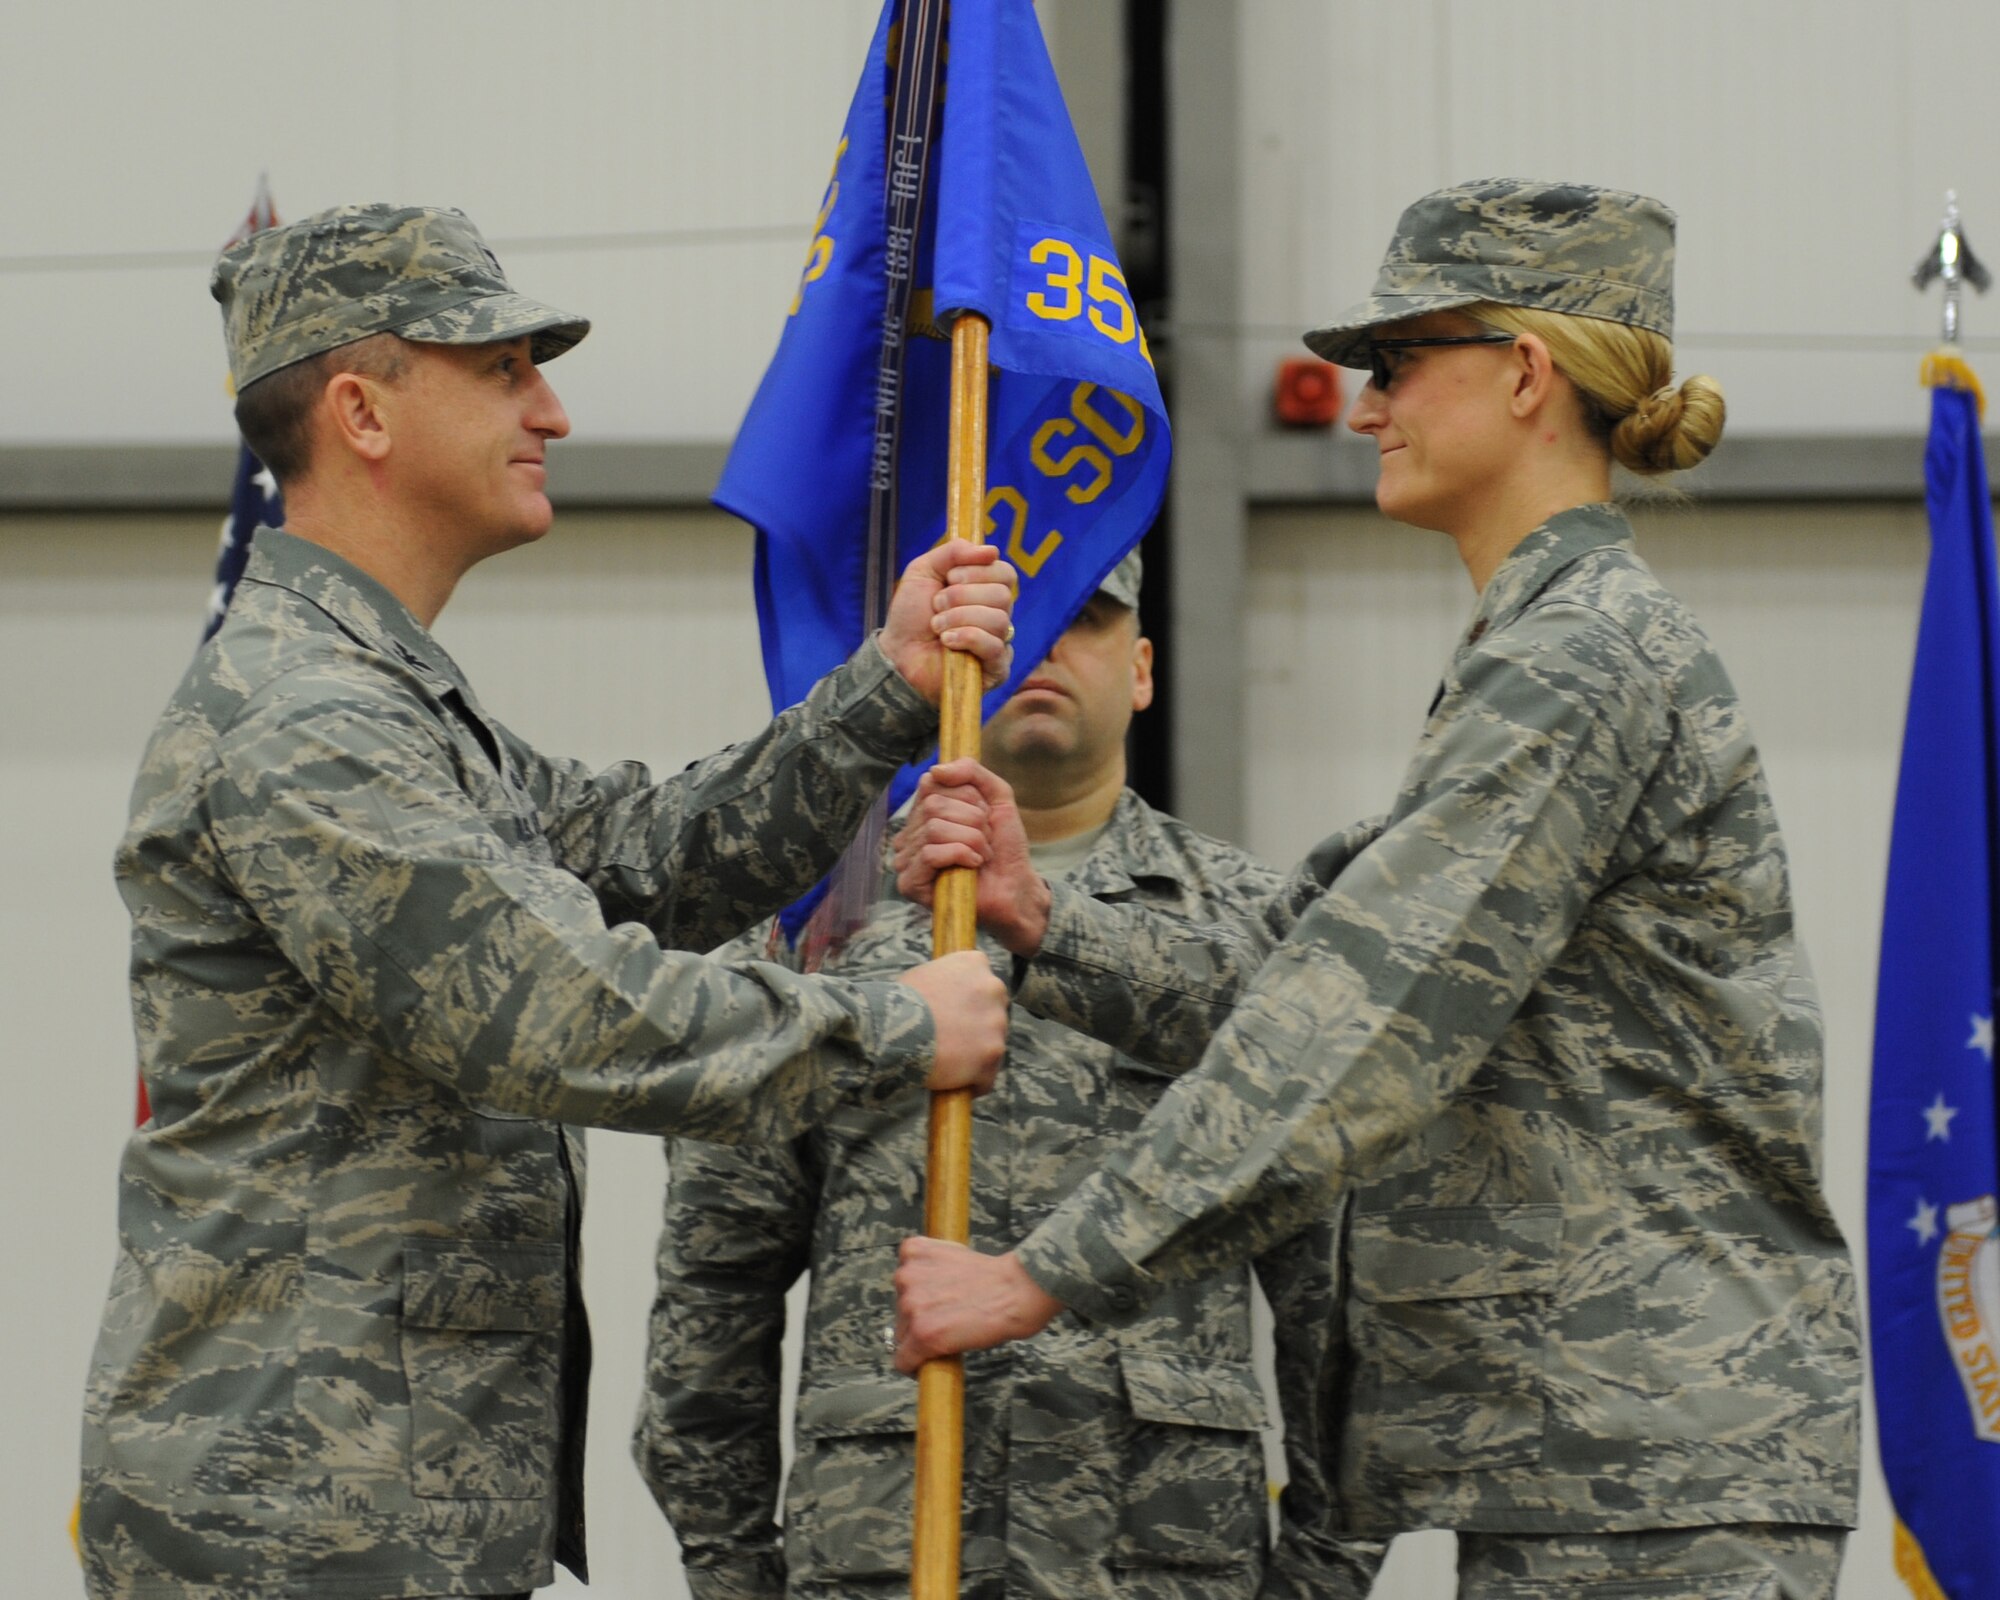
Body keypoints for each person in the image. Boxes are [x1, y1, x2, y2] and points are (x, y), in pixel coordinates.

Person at [890, 181, 1863, 1598]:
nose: (1363, 408)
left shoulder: (1575, 663)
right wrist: (1053, 924)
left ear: (1525, 371)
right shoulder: (1543, 648)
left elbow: (1364, 1017)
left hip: (1641, 1458)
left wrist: (1045, 1273)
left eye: (1398, 365)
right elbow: (1333, 968)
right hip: (1597, 1449)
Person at [78, 202, 1018, 1600]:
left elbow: (652, 854)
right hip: (297, 1522)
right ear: (363, 412)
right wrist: (889, 1027)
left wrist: (880, 690)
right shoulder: (304, 718)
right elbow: (550, 1009)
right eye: (504, 369)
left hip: (387, 1504)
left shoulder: (395, 708)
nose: (555, 411)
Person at [633, 552, 1381, 1599]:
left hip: (1165, 1566)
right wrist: (735, 1575)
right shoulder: (814, 931)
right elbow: (713, 1301)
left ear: (1144, 669)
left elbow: (1334, 1303)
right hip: (886, 1560)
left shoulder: (1246, 935)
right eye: (1019, 620)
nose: (1045, 648)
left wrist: (1320, 1580)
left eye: (1088, 617)